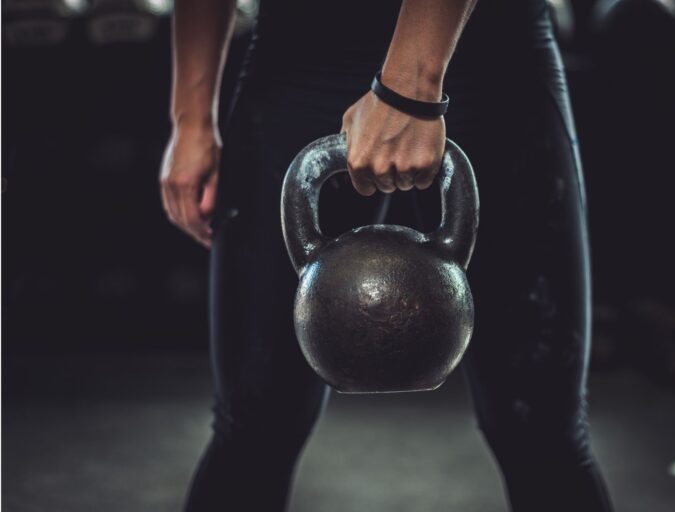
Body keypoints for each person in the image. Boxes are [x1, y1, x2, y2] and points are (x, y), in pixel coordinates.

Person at [159, 1, 614, 510]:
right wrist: (191, 120)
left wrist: (411, 88)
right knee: (253, 422)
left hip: (488, 53)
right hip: (300, 56)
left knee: (541, 429)